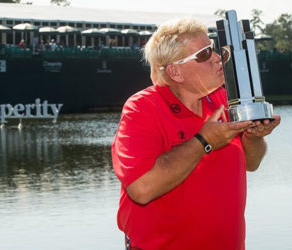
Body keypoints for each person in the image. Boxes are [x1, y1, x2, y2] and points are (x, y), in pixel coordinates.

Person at [111, 16, 281, 250]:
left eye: (212, 48)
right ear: (175, 72)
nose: (217, 58)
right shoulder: (142, 108)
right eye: (203, 55)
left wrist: (254, 136)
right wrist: (204, 141)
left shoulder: (222, 98)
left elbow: (251, 163)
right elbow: (141, 189)